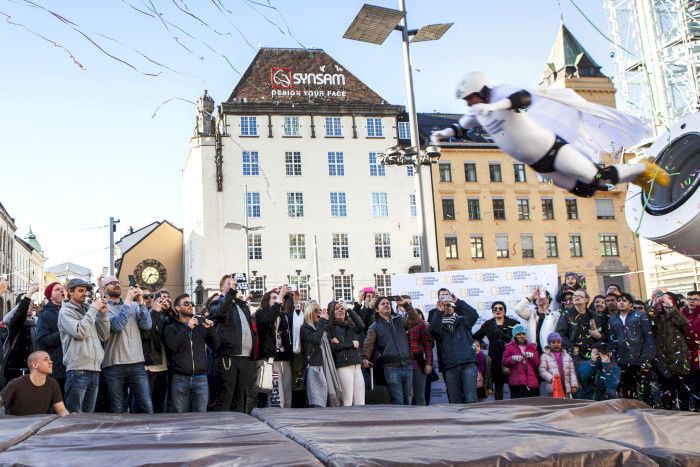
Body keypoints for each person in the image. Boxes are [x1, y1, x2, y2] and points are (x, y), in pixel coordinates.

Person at [431, 71, 669, 198]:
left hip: (553, 151)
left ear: (481, 91)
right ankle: (635, 177)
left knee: (596, 178)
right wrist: (443, 133)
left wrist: (493, 106)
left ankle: (643, 168)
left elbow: (523, 98)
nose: (469, 103)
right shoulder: (478, 111)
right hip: (539, 165)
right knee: (586, 190)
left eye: (470, 97)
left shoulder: (500, 94)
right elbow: (461, 126)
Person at [101, 276, 153, 413]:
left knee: (146, 406)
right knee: (118, 409)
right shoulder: (103, 308)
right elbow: (117, 326)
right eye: (112, 283)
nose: (116, 284)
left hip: (137, 363)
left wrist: (140, 301)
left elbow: (147, 325)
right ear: (104, 289)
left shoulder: (134, 306)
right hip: (114, 364)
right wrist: (129, 300)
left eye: (118, 282)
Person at [58, 278, 110, 413]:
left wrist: (104, 315)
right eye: (80, 290)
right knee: (75, 416)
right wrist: (93, 309)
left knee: (89, 417)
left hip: (95, 369)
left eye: (85, 291)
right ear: (70, 292)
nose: (84, 294)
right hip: (77, 370)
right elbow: (80, 332)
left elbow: (104, 335)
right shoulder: (65, 311)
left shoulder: (89, 310)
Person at [164, 294, 219, 412]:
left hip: (201, 379)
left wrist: (211, 329)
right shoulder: (171, 328)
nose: (190, 306)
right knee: (181, 417)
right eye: (186, 303)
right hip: (180, 379)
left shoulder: (200, 326)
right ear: (177, 308)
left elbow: (215, 345)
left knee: (200, 417)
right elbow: (172, 346)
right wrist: (188, 328)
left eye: (191, 303)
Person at [362, 296, 421, 405]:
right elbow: (368, 344)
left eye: (388, 303)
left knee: (407, 400)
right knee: (398, 400)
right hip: (391, 368)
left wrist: (406, 305)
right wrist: (365, 357)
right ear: (376, 309)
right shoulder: (374, 326)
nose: (386, 305)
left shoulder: (399, 319)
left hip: (407, 365)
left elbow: (416, 320)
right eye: (383, 303)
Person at [212, 276, 255, 413]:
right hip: (228, 357)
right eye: (228, 283)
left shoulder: (242, 306)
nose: (232, 285)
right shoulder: (217, 302)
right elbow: (220, 312)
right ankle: (224, 425)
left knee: (241, 398)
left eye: (233, 283)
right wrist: (231, 293)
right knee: (225, 397)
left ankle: (240, 424)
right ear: (221, 287)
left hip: (245, 357)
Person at [429, 297, 479, 403]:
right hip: (450, 366)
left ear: (454, 307)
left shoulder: (463, 321)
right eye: (444, 306)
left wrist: (458, 301)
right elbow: (433, 330)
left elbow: (474, 315)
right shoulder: (439, 326)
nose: (447, 307)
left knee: (471, 399)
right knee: (454, 401)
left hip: (468, 364)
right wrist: (439, 311)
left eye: (449, 305)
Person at [608, 292, 656, 400]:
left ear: (630, 304)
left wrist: (645, 357)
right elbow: (612, 340)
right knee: (626, 389)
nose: (621, 303)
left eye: (624, 300)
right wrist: (614, 359)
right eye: (619, 300)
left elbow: (648, 337)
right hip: (622, 360)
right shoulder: (612, 319)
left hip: (639, 359)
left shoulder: (640, 316)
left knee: (643, 389)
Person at [255, 286, 294, 408]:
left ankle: (287, 416)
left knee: (287, 396)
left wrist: (289, 297)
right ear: (267, 300)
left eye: (278, 297)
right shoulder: (261, 314)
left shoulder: (283, 316)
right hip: (272, 361)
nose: (278, 299)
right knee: (276, 398)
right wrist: (280, 296)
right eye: (274, 298)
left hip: (285, 360)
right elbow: (269, 319)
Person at [473, 302, 519, 400]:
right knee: (498, 385)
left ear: (505, 311)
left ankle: (516, 405)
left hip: (511, 357)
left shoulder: (514, 323)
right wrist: (485, 346)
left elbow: (520, 337)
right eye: (495, 309)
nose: (498, 310)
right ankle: (499, 406)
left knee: (513, 383)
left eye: (500, 308)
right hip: (494, 358)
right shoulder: (488, 324)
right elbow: (476, 337)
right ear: (492, 311)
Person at [0, 351, 68, 416]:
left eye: (50, 359)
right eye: (45, 359)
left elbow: (61, 410)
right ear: (35, 365)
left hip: (40, 423)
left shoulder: (53, 384)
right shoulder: (16, 383)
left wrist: (69, 419)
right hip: (17, 423)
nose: (51, 362)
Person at [653, 292, 690, 410]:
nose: (665, 301)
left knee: (682, 385)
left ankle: (686, 409)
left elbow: (684, 323)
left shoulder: (678, 313)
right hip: (663, 356)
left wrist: (672, 309)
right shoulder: (658, 316)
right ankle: (668, 410)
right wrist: (655, 306)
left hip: (679, 356)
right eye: (663, 299)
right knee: (666, 387)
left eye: (668, 299)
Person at [328, 299, 365, 406]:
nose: (341, 310)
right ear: (332, 312)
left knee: (360, 402)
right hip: (343, 366)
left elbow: (361, 325)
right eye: (337, 309)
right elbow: (332, 347)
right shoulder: (329, 327)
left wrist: (349, 309)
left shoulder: (350, 325)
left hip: (357, 365)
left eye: (342, 308)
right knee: (347, 401)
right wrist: (351, 344)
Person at [300, 302, 337, 407]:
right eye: (316, 310)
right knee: (317, 402)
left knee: (323, 401)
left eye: (320, 310)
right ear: (309, 313)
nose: (319, 313)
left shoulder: (319, 327)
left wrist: (331, 341)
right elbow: (315, 339)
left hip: (323, 366)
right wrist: (322, 321)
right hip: (313, 367)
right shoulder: (305, 328)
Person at [2, 284, 40, 386]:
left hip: (34, 370)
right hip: (15, 372)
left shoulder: (37, 323)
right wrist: (29, 294)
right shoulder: (15, 324)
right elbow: (18, 315)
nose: (29, 307)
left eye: (31, 305)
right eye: (26, 305)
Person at [139, 294, 170, 413]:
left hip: (164, 366)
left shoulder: (163, 315)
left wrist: (168, 310)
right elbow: (147, 333)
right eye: (145, 296)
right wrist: (154, 312)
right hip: (149, 367)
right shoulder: (144, 314)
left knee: (160, 406)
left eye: (151, 296)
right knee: (146, 406)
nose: (149, 299)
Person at [36, 282, 67, 395]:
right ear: (50, 296)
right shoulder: (45, 314)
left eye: (62, 289)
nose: (61, 291)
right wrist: (63, 332)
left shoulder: (69, 310)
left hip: (70, 366)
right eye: (57, 289)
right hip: (56, 368)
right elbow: (42, 340)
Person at [556, 290, 603, 358]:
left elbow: (602, 334)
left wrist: (598, 335)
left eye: (579, 296)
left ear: (586, 300)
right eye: (575, 296)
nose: (576, 297)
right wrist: (572, 348)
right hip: (573, 354)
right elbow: (560, 333)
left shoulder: (593, 315)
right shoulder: (566, 314)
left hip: (591, 354)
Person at [515, 287, 560, 354]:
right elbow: (517, 309)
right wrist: (532, 296)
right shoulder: (530, 314)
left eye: (545, 298)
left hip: (550, 351)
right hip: (533, 351)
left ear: (549, 300)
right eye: (539, 297)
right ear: (535, 301)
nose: (542, 299)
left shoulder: (556, 315)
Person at [503, 324, 540, 398]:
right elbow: (505, 362)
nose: (522, 336)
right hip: (517, 383)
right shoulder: (509, 347)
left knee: (533, 404)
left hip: (531, 382)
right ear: (515, 336)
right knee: (518, 404)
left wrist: (532, 357)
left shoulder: (532, 347)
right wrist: (512, 359)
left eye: (523, 334)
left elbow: (536, 363)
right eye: (519, 334)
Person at [538, 332, 578, 397]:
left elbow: (572, 372)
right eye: (553, 342)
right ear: (549, 343)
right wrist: (552, 378)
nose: (556, 344)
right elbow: (542, 371)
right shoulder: (544, 356)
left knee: (567, 402)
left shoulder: (567, 356)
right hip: (553, 388)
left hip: (566, 388)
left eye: (558, 342)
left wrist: (573, 385)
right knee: (555, 403)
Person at [406, 308, 432, 406]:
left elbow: (427, 344)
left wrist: (428, 363)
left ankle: (422, 415)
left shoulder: (421, 324)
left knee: (420, 395)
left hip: (416, 361)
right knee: (403, 396)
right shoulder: (400, 323)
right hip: (402, 362)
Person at [682, 290, 700, 410]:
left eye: (695, 299)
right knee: (690, 384)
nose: (691, 301)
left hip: (698, 353)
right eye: (689, 299)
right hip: (686, 355)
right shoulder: (681, 314)